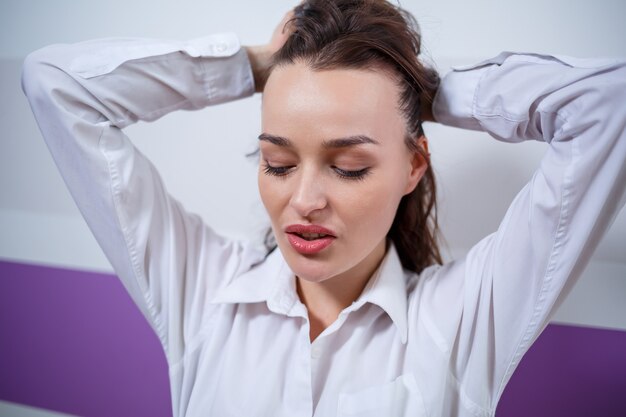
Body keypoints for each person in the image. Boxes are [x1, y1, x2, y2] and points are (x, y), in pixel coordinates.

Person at [21, 0, 625, 416]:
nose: (303, 201)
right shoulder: (203, 293)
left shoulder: (463, 320)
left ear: (414, 164)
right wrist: (253, 65)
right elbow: (54, 84)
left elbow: (608, 104)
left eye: (350, 167)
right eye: (278, 164)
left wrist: (423, 89)